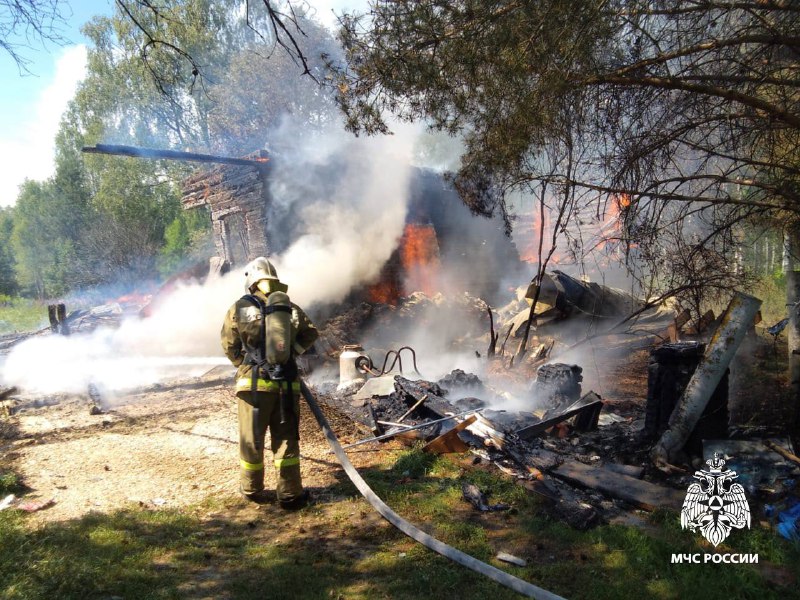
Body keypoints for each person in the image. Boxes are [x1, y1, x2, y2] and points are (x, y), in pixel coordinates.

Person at [220, 257, 319, 508]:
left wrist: (244, 364)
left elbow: (229, 344)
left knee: (251, 438)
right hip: (287, 385)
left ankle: (252, 488)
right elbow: (311, 332)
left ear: (252, 283)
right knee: (286, 439)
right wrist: (290, 354)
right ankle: (290, 494)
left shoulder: (240, 308)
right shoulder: (290, 309)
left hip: (253, 386)